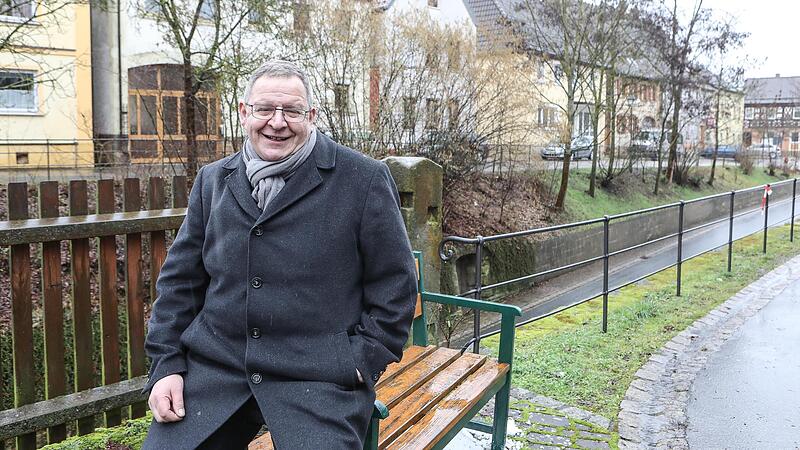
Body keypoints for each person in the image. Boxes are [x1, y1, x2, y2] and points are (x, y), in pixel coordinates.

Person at [143, 60, 418, 449]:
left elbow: (396, 283)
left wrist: (360, 360)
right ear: (244, 113)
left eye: (291, 110)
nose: (277, 121)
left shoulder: (362, 179)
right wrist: (166, 365)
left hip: (317, 376)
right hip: (218, 371)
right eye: (264, 109)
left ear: (312, 115)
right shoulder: (213, 180)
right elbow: (179, 284)